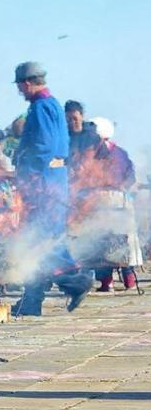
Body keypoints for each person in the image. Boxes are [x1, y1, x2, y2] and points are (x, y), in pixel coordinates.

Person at [11, 61, 93, 316]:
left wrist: (25, 163)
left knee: (44, 241)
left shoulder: (41, 106)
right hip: (50, 180)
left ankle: (75, 281)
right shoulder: (52, 104)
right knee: (38, 241)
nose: (20, 92)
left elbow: (45, 147)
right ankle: (32, 301)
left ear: (26, 83)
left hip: (43, 182)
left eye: (20, 87)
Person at [69, 117, 144, 292]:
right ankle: (105, 281)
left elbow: (129, 178)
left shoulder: (118, 154)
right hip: (94, 202)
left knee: (121, 240)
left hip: (116, 200)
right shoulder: (86, 154)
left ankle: (129, 279)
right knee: (99, 242)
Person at [64, 100, 100, 166]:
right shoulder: (64, 138)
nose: (72, 122)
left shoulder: (93, 137)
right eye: (69, 119)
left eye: (75, 119)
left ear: (82, 116)